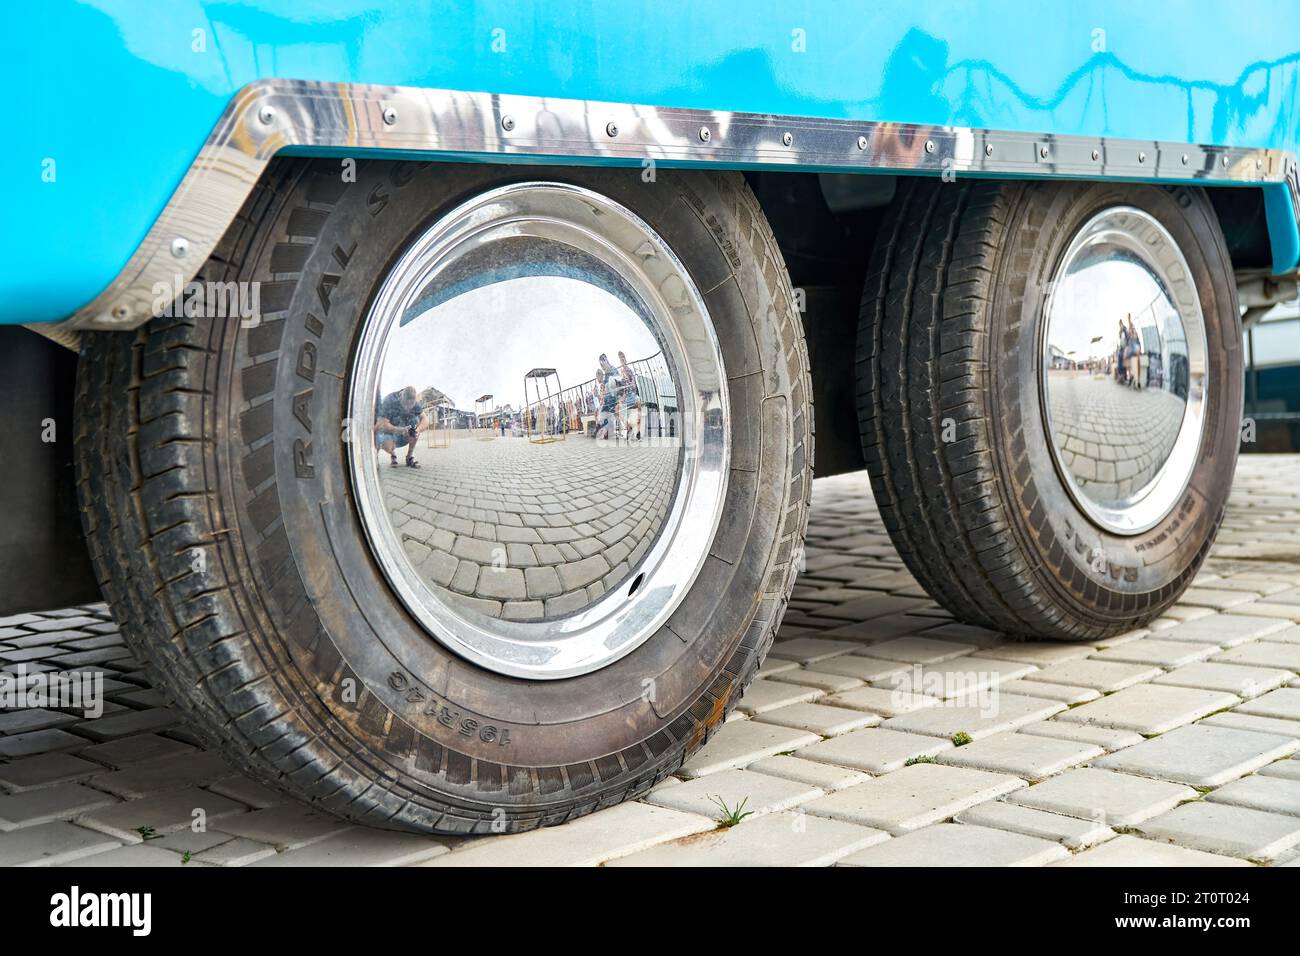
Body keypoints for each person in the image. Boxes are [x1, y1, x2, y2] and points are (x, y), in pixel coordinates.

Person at [374, 385, 427, 468]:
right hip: (389, 434)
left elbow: (425, 418)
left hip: (404, 435)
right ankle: (390, 455)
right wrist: (400, 430)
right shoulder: (390, 400)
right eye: (405, 404)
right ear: (401, 397)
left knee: (415, 425)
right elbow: (382, 424)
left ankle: (409, 457)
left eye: (411, 406)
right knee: (380, 433)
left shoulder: (416, 403)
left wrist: (418, 429)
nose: (407, 408)